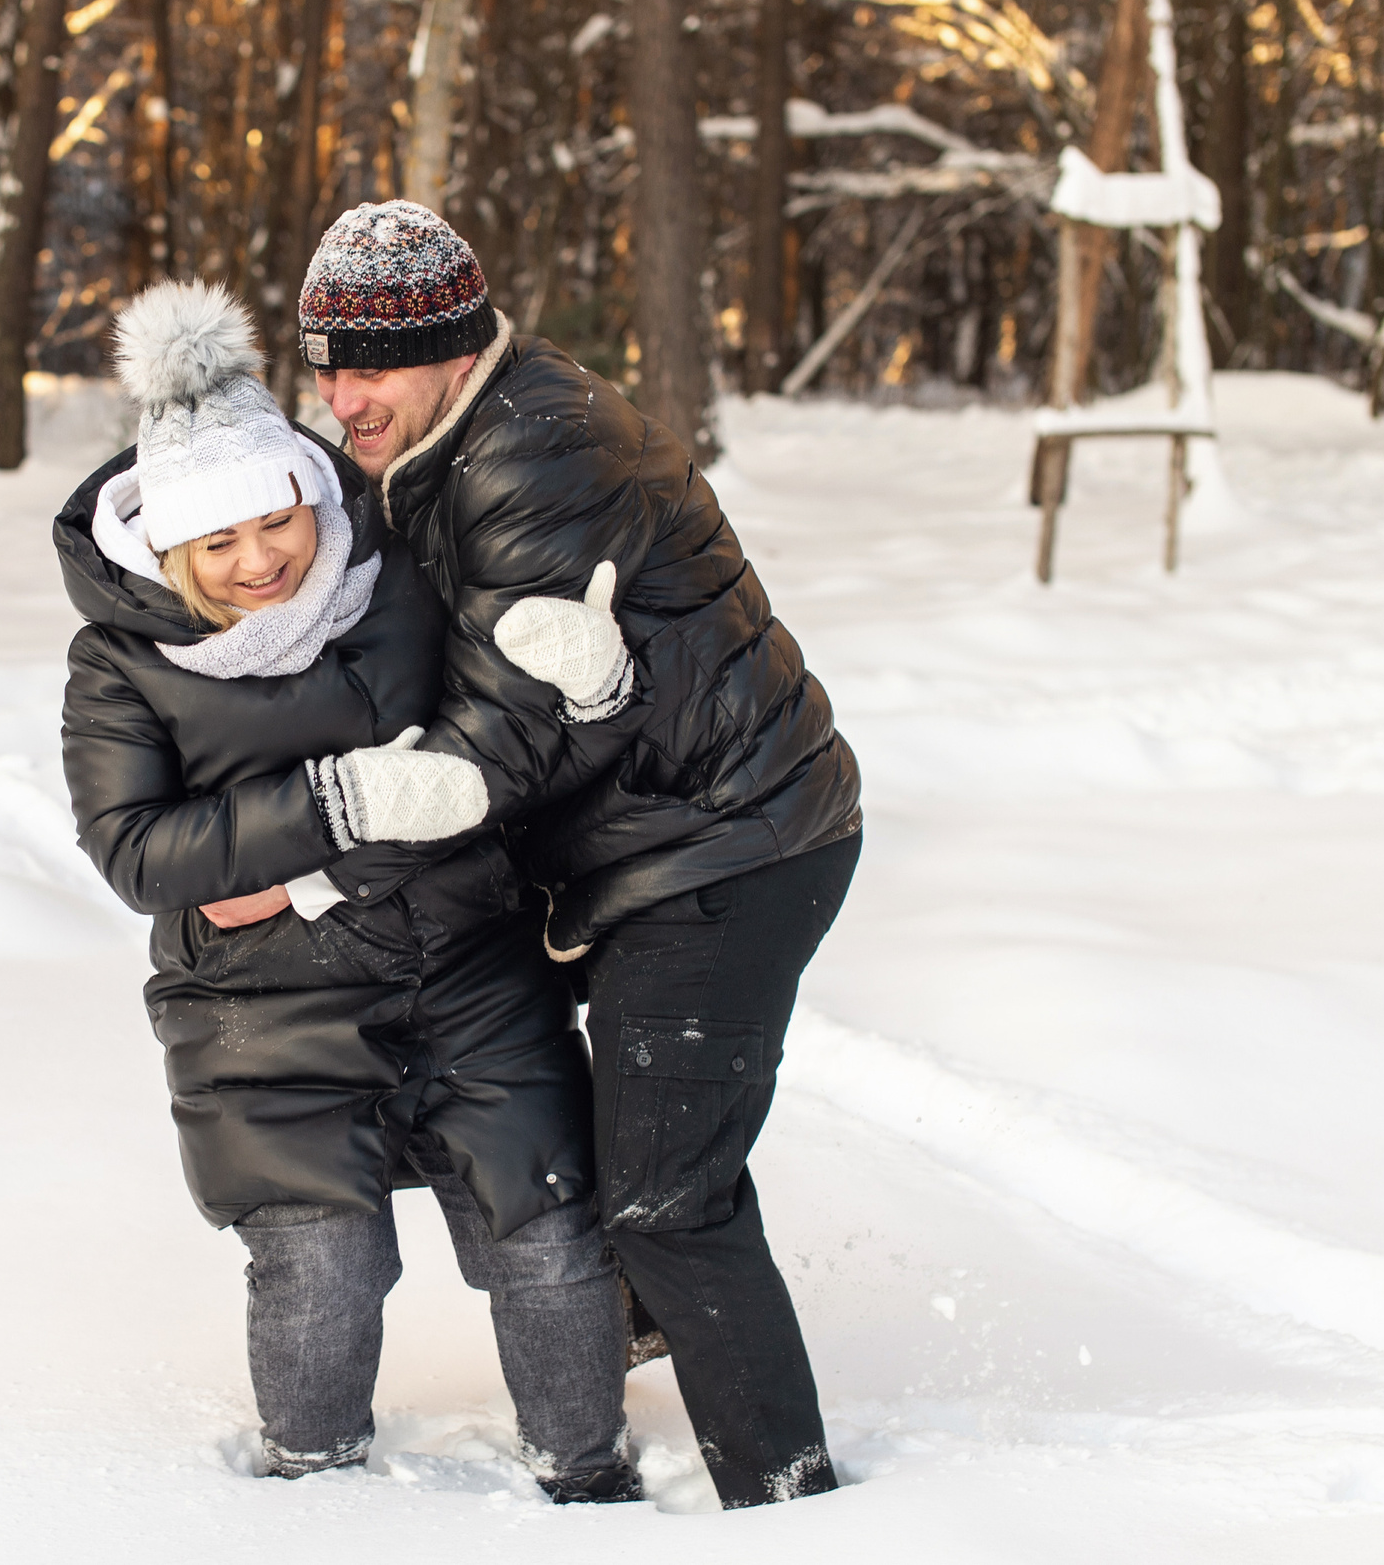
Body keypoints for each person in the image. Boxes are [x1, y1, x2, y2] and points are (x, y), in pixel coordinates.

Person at [234, 201, 865, 1508]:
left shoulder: (534, 457)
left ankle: (788, 1488)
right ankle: (636, 1330)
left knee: (666, 1194)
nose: (344, 397)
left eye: (372, 366)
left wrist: (308, 859)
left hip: (728, 845)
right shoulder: (448, 437)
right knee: (559, 1106)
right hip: (644, 841)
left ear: (455, 349)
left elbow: (494, 750)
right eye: (326, 364)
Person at [55, 279, 639, 1502]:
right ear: (171, 548)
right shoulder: (120, 662)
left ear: (311, 495)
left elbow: (483, 768)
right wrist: (334, 805)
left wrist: (585, 700)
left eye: (278, 522)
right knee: (322, 1254)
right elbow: (141, 854)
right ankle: (315, 1490)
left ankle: (589, 1478)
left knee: (544, 1230)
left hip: (467, 963)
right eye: (219, 542)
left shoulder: (396, 582)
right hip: (261, 1012)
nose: (261, 559)